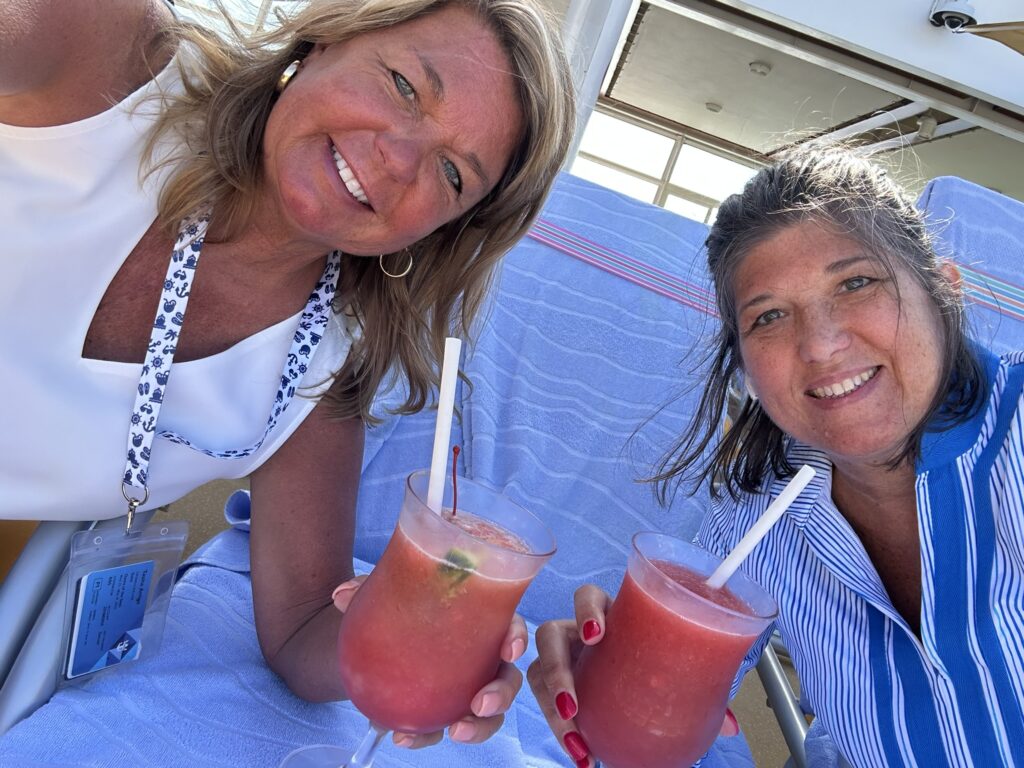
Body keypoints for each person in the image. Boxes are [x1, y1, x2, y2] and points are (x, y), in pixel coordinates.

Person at [0, 0, 574, 748]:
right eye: (404, 86)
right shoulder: (116, 67)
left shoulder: (315, 374)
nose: (398, 159)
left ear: (444, 231)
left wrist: (416, 641)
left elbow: (304, 632)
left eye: (451, 172)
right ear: (327, 38)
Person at [528, 147, 1024, 766]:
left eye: (856, 282)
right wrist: (603, 684)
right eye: (769, 317)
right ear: (745, 365)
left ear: (942, 292)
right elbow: (657, 721)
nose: (818, 344)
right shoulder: (758, 525)